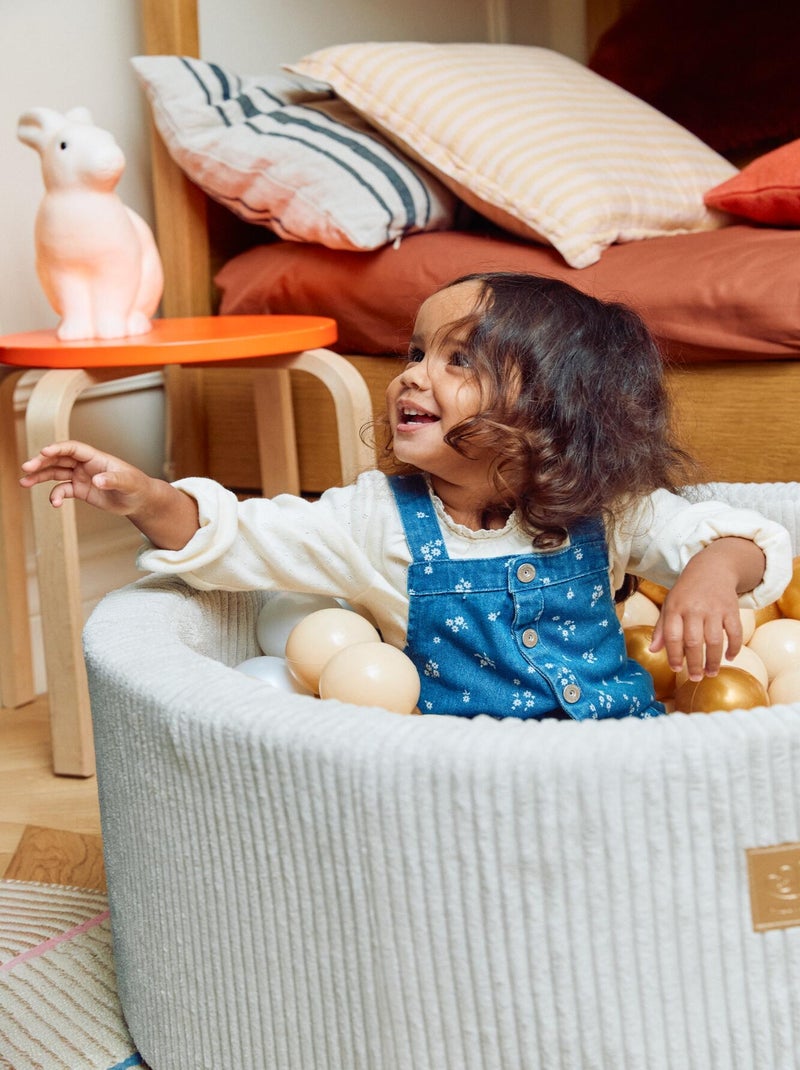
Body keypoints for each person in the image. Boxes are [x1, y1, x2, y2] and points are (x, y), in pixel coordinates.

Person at [21, 272, 792, 720]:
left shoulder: (607, 506)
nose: (413, 375)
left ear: (557, 407)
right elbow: (248, 536)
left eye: (458, 360)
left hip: (618, 747)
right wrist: (145, 496)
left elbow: (747, 536)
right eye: (416, 351)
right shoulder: (377, 520)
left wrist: (712, 572)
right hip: (454, 781)